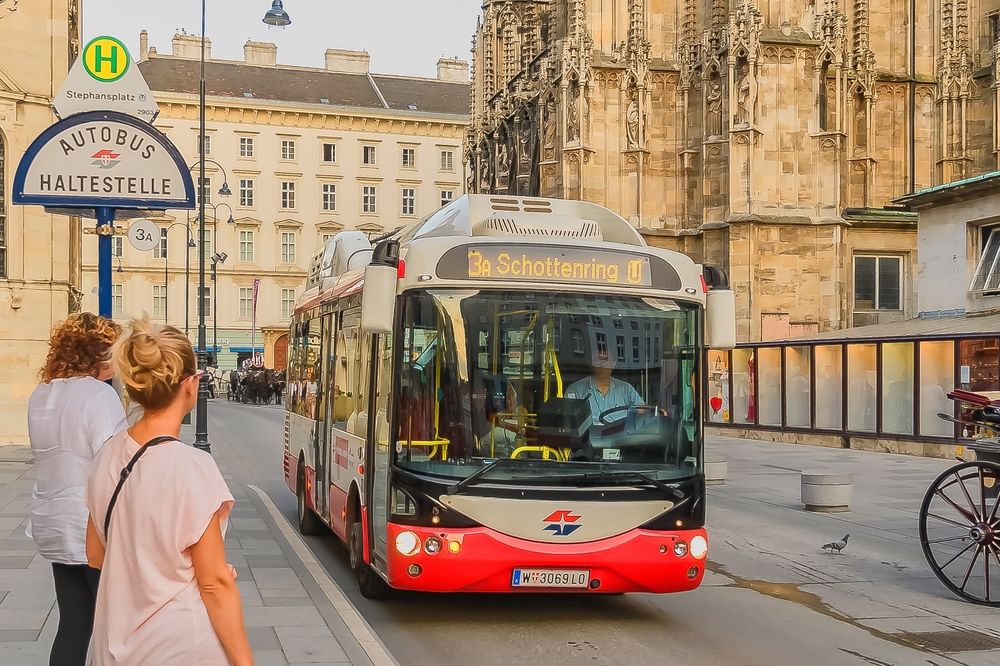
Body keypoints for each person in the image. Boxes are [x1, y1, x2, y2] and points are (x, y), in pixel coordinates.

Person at [85, 318, 253, 666]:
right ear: (190, 385)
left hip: (112, 644)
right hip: (177, 646)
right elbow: (214, 584)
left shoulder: (107, 454)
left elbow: (95, 556)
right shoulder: (192, 467)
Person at [26, 313, 125, 666]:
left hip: (52, 522)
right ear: (96, 353)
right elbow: (112, 465)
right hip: (90, 526)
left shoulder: (42, 393)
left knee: (73, 623)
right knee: (118, 628)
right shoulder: (99, 395)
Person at [565, 350, 642, 424]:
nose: (602, 364)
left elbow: (643, 410)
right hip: (590, 436)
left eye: (605, 360)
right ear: (591, 363)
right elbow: (568, 422)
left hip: (620, 435)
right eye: (598, 360)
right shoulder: (575, 390)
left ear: (613, 364)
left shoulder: (626, 388)